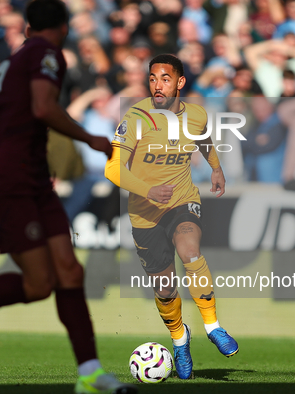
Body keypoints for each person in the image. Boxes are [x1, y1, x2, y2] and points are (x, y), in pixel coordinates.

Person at [0, 1, 136, 393]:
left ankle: (90, 374)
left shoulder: (10, 66)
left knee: (70, 271)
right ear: (64, 28)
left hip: (32, 182)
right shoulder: (47, 55)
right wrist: (92, 138)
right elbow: (43, 106)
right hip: (8, 185)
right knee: (38, 285)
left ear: (29, 27)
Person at [105, 54, 239, 380]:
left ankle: (213, 327)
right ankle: (180, 340)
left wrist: (217, 168)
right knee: (165, 289)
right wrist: (148, 190)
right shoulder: (135, 117)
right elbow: (112, 168)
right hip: (144, 214)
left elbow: (204, 138)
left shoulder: (195, 114)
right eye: (152, 78)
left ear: (179, 82)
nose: (157, 85)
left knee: (190, 251)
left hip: (182, 200)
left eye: (164, 78)